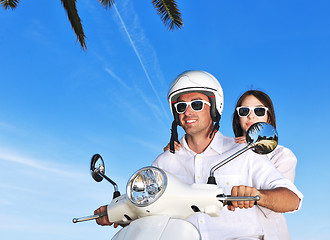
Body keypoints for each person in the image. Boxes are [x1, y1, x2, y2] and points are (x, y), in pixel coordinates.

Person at [94, 70, 303, 240]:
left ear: (214, 108)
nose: (187, 111)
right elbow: (146, 205)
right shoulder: (164, 162)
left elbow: (292, 200)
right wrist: (115, 211)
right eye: (181, 106)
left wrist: (257, 195)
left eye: (196, 104)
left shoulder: (243, 153)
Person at [232, 90, 297, 239]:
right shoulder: (226, 151)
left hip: (268, 233)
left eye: (259, 110)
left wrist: (252, 149)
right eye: (244, 111)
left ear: (268, 117)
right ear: (238, 118)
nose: (251, 116)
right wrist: (178, 149)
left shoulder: (282, 155)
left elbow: (279, 204)